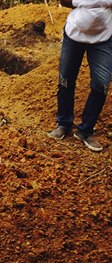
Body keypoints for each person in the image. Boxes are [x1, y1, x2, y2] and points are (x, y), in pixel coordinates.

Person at [47, 0, 112, 152]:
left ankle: (85, 130)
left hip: (103, 38)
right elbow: (64, 1)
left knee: (101, 84)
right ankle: (64, 124)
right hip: (74, 34)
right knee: (66, 80)